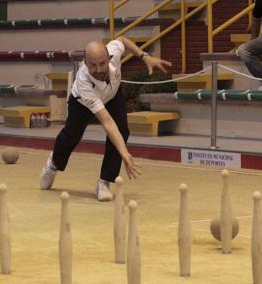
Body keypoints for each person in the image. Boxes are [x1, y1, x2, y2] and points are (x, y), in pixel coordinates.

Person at [39, 37, 172, 201]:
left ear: (109, 58)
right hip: (82, 101)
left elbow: (123, 40)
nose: (99, 69)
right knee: (72, 134)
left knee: (122, 130)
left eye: (102, 63)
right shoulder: (84, 83)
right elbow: (107, 122)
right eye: (93, 65)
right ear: (85, 64)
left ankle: (104, 182)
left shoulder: (114, 52)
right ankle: (53, 165)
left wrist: (144, 56)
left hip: (112, 94)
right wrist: (125, 154)